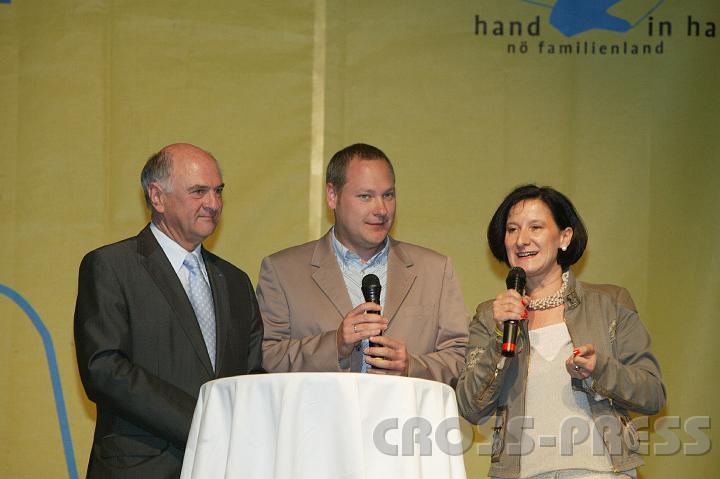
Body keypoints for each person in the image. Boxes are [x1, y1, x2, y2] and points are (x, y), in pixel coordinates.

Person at [74, 143, 263, 478]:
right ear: (157, 197)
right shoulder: (111, 266)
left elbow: (251, 375)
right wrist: (202, 423)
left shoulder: (235, 281)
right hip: (141, 467)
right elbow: (104, 369)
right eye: (198, 191)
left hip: (224, 466)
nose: (213, 203)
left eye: (218, 191)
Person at [456, 184, 665, 479]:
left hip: (600, 472)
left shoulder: (610, 303)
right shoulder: (491, 315)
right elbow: (470, 407)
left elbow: (652, 393)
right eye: (512, 229)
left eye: (536, 227)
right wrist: (498, 337)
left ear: (564, 237)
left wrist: (599, 370)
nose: (521, 240)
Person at [257, 143, 468, 385]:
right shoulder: (282, 271)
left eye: (388, 195)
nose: (381, 209)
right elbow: (266, 358)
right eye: (366, 196)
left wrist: (412, 366)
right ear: (332, 196)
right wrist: (334, 345)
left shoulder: (435, 270)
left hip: (404, 409)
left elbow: (461, 357)